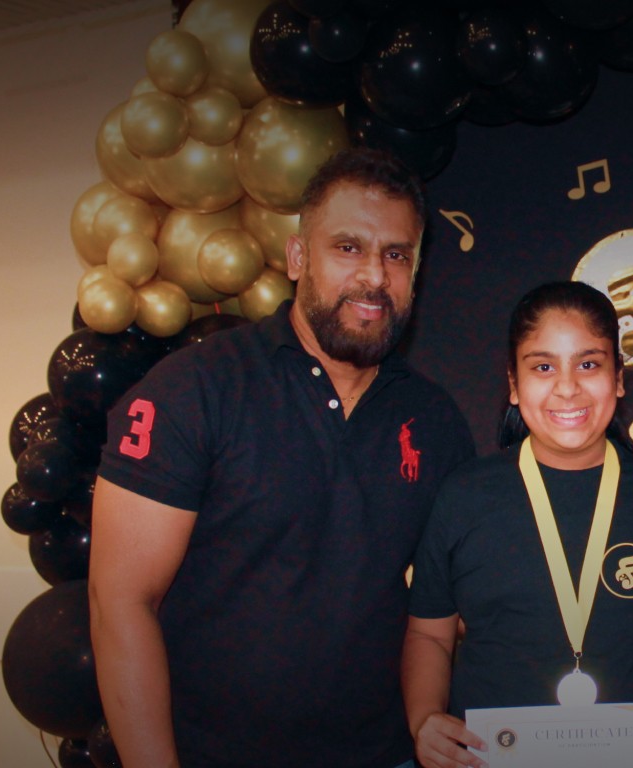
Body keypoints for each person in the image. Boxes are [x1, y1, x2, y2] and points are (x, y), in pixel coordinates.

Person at [88, 147, 475, 768]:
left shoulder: (436, 421)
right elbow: (121, 604)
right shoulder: (195, 390)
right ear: (298, 257)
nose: (374, 276)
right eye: (347, 247)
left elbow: (449, 610)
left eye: (396, 254)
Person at [402, 281, 633, 768]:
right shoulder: (464, 496)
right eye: (543, 366)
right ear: (515, 385)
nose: (567, 386)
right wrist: (424, 721)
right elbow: (430, 636)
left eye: (589, 364)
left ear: (619, 378)